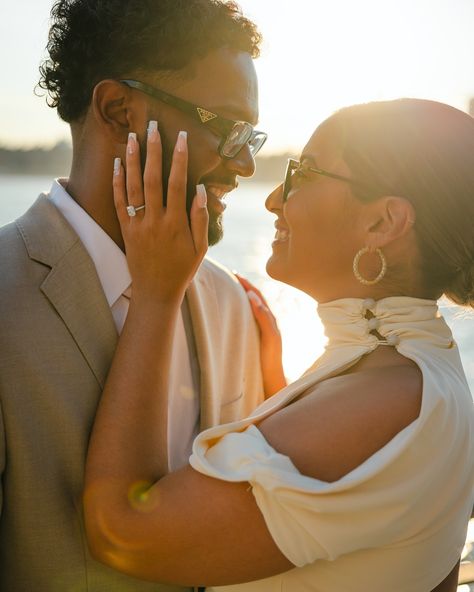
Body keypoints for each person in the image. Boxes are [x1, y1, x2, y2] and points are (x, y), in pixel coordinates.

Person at [83, 98, 474, 592]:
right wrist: (278, 392)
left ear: (382, 223)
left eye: (303, 174)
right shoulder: (414, 368)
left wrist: (156, 296)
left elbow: (121, 532)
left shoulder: (392, 401)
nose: (273, 200)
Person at [0, 1, 275, 590]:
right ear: (120, 111)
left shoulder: (231, 304)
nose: (247, 163)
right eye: (226, 127)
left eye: (250, 135)